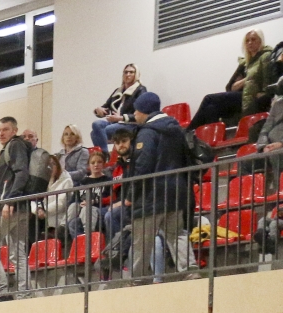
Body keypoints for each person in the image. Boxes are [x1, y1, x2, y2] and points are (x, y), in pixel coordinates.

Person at [126, 93, 191, 283]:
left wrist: (131, 194)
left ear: (144, 111)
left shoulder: (147, 132)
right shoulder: (176, 129)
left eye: (137, 110)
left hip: (150, 195)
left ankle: (137, 279)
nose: (135, 115)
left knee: (142, 240)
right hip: (175, 191)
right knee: (177, 234)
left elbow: (143, 166)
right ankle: (189, 269)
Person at [0, 116, 32, 299]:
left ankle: (1, 292)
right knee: (17, 253)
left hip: (8, 207)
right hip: (20, 208)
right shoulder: (12, 148)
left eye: (5, 129)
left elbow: (21, 173)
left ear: (14, 131)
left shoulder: (15, 146)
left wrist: (9, 201)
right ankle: (24, 293)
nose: (1, 133)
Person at [189, 30, 274, 130]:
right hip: (241, 95)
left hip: (251, 96)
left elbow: (267, 82)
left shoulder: (265, 57)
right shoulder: (245, 63)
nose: (250, 43)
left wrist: (260, 90)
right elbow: (231, 87)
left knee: (209, 99)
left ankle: (189, 131)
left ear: (260, 41)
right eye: (247, 41)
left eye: (253, 39)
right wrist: (247, 79)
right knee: (210, 108)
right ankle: (207, 140)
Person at [92, 63, 147, 149]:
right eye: (126, 72)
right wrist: (98, 110)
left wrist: (121, 118)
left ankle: (104, 156)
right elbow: (107, 107)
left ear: (136, 74)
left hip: (130, 124)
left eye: (131, 72)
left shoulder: (141, 90)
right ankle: (104, 154)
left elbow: (142, 114)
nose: (128, 75)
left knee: (100, 132)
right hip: (116, 123)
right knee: (96, 125)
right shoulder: (118, 91)